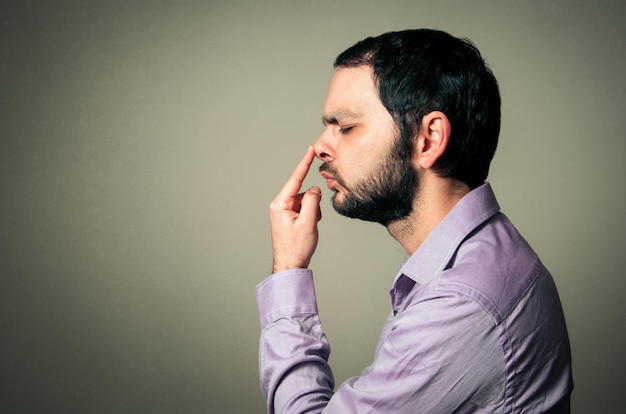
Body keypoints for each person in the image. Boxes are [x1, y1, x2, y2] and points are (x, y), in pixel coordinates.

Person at [256, 29, 573, 413]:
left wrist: (289, 269)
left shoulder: (462, 305)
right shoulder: (487, 254)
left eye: (346, 127)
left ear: (428, 139)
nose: (321, 145)